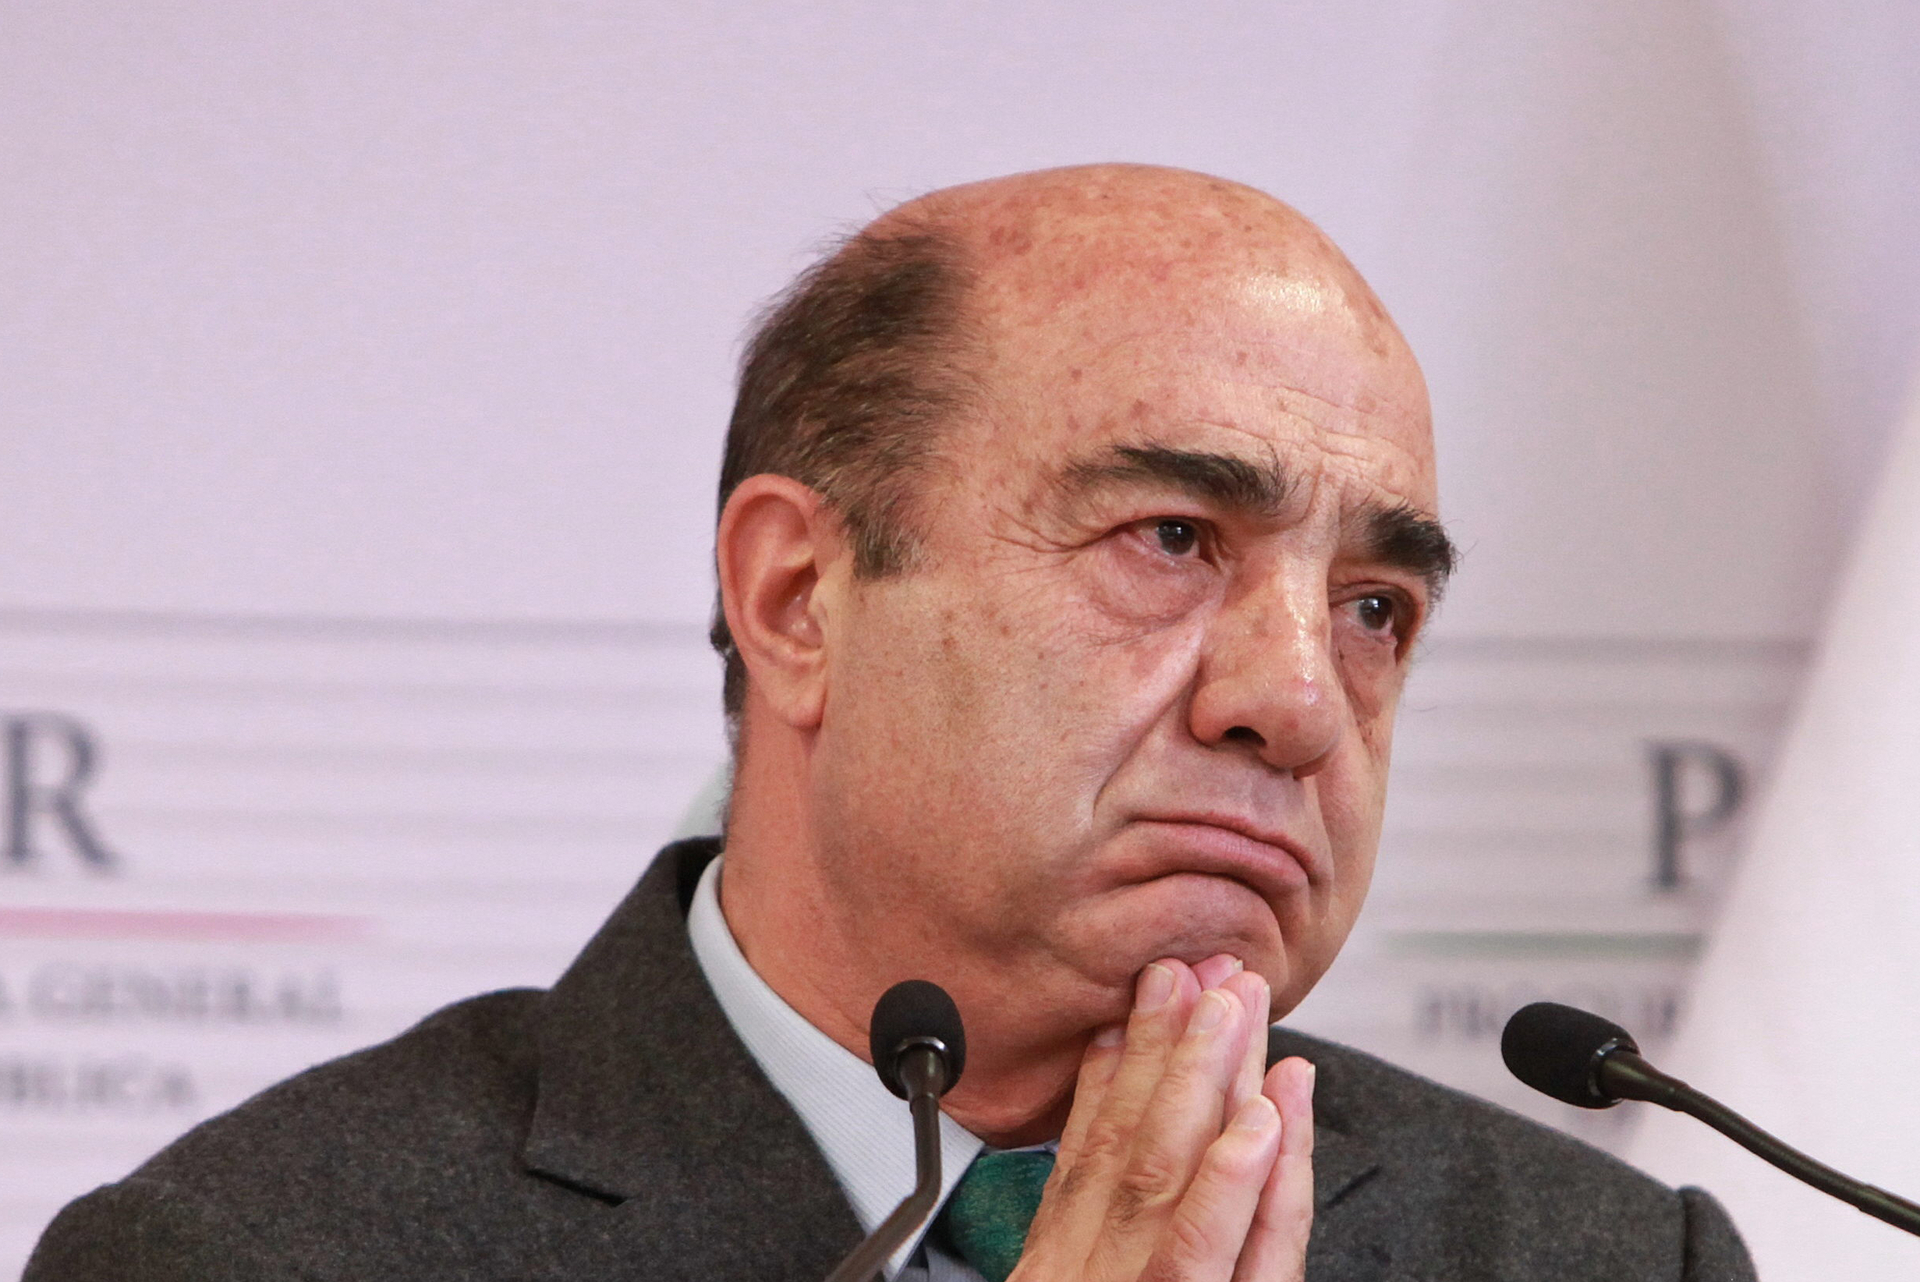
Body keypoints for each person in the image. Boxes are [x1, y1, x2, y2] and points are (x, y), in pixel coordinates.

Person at [26, 164, 1756, 1281]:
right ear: (798, 598)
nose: (1297, 699)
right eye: (1171, 540)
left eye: (1376, 606)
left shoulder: (1595, 1259)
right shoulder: (261, 1251)